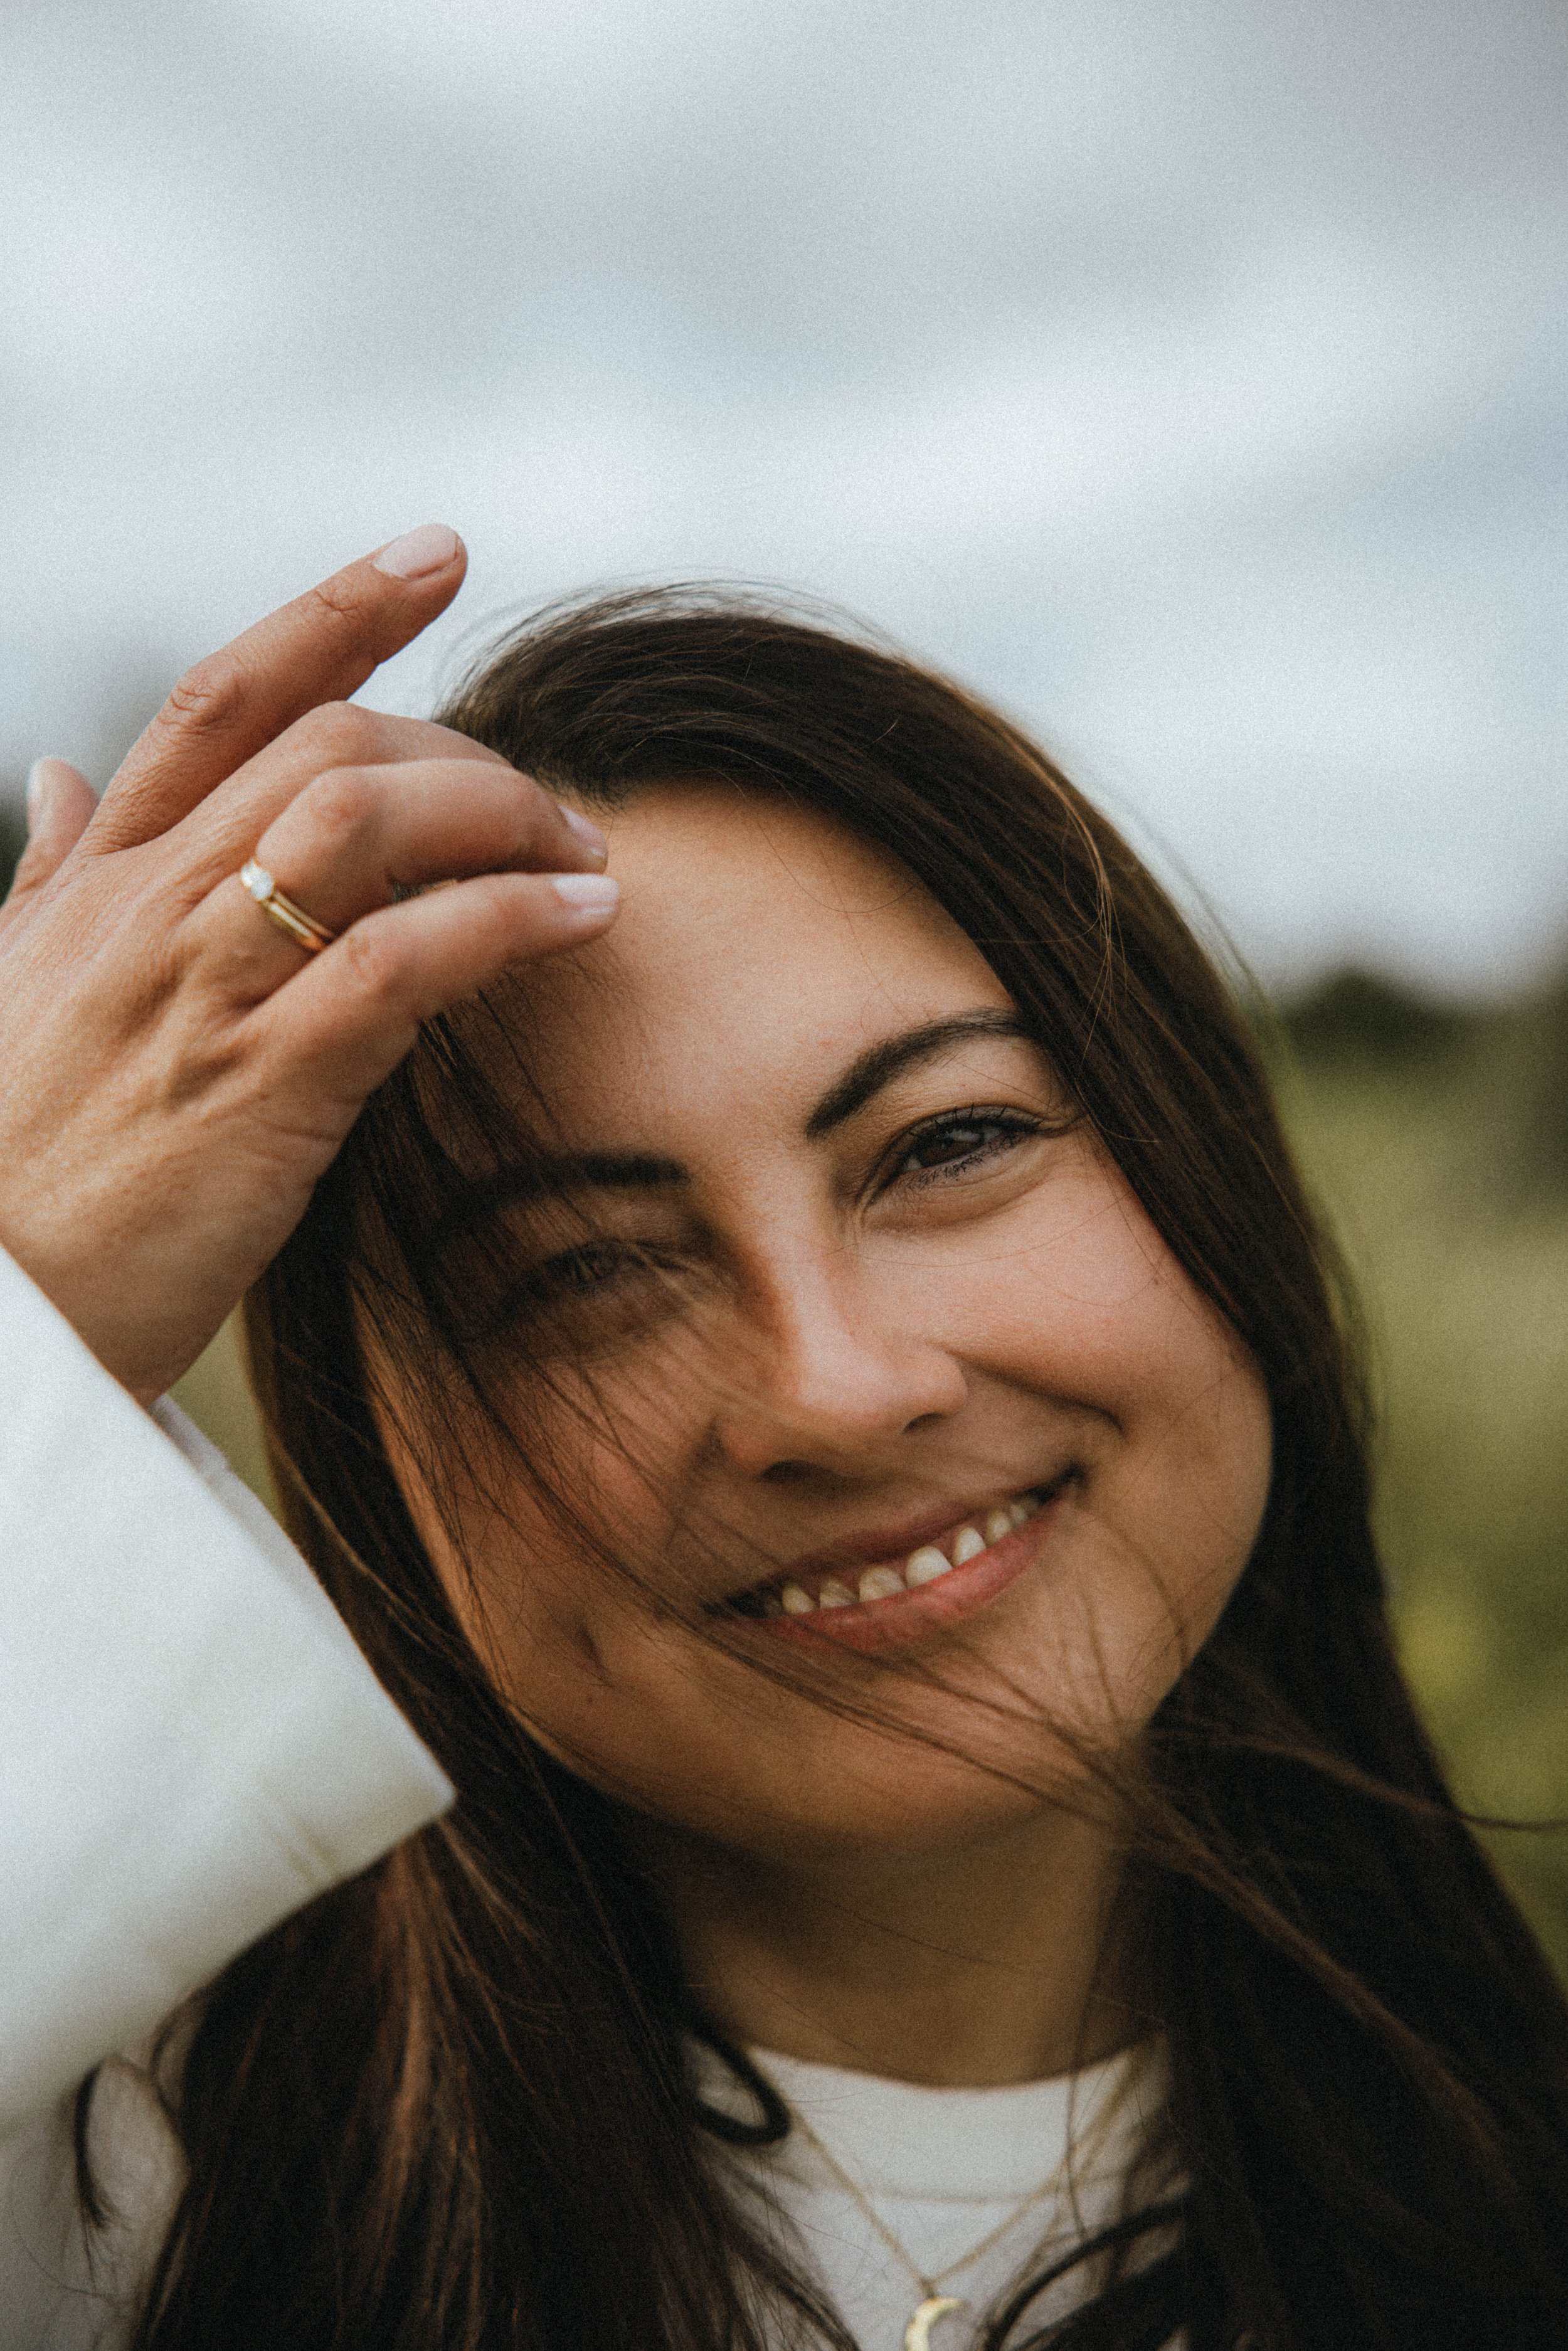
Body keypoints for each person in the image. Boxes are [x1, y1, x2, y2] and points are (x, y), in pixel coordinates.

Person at [1, 531, 1565, 2351]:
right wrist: (29, 1280)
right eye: (580, 1269)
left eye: (946, 1144)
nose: (835, 1384)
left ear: (1202, 1163)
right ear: (372, 1457)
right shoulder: (104, 2194)